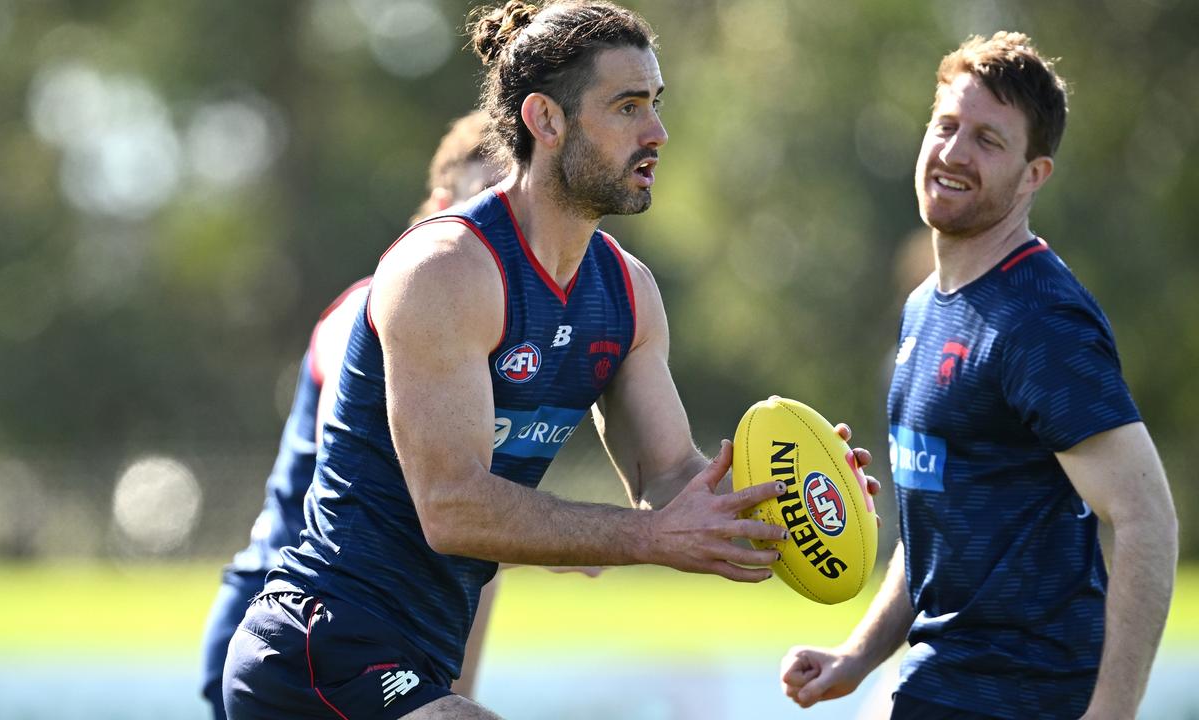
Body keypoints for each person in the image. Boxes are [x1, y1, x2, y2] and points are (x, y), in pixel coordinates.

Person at [224, 2, 876, 719]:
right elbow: (452, 507)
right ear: (545, 120)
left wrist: (796, 499)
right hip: (320, 648)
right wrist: (653, 539)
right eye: (627, 107)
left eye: (655, 105)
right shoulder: (445, 271)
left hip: (421, 658)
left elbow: (668, 478)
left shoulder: (628, 294)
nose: (656, 132)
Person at [780, 32, 1177, 719]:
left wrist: (1112, 712)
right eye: (946, 126)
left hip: (1024, 698)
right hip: (937, 684)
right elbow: (933, 533)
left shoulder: (1040, 320)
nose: (955, 153)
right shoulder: (924, 308)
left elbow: (1147, 517)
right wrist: (858, 656)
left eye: (989, 141)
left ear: (1033, 175)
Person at [199, 111, 504, 720]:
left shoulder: (495, 340)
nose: (506, 227)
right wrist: (586, 533)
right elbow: (392, 488)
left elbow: (476, 555)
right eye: (488, 200)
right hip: (291, 631)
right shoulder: (368, 311)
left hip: (381, 646)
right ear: (443, 203)